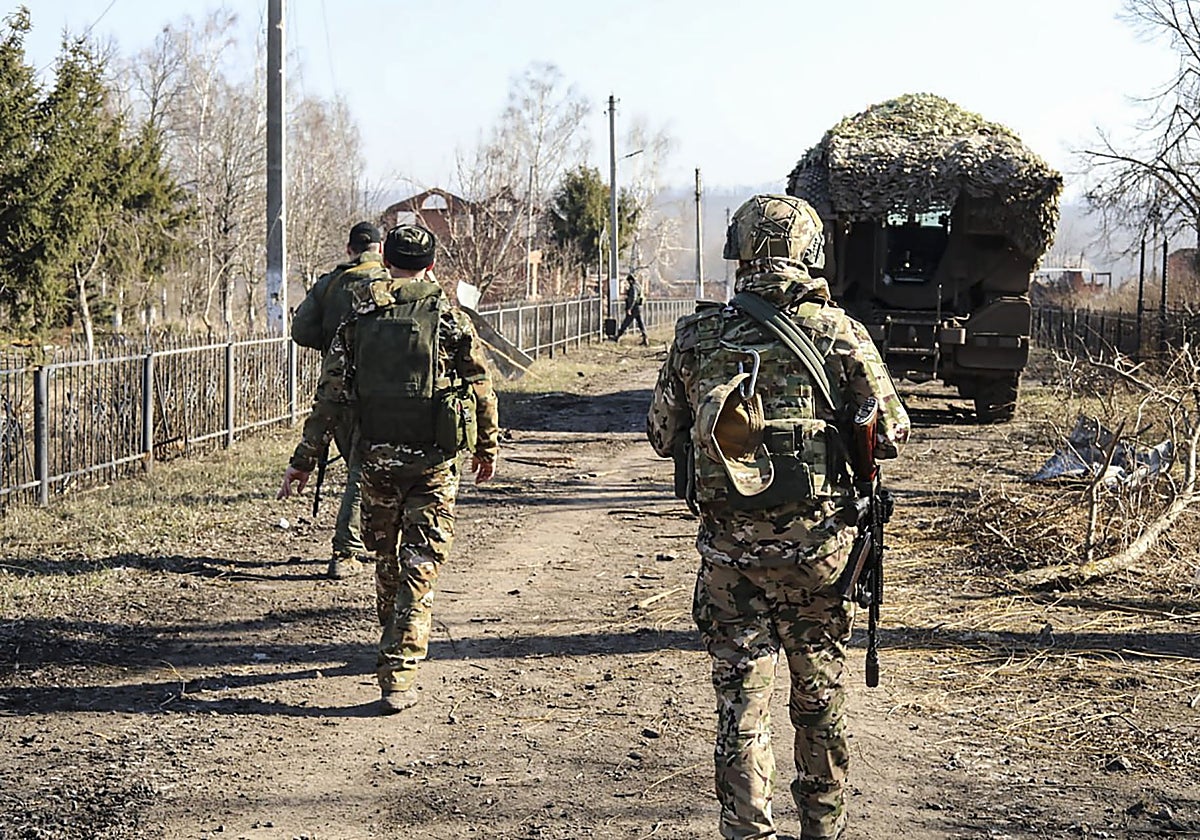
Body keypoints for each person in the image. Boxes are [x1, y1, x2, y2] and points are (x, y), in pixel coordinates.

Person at [646, 194, 910, 840]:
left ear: (740, 252)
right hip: (819, 562)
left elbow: (659, 433)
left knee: (741, 712)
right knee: (818, 706)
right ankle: (823, 829)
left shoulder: (697, 336)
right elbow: (895, 430)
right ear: (809, 251)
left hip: (730, 566)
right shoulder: (840, 333)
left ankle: (748, 832)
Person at [278, 223, 500, 714]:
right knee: (422, 562)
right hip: (435, 460)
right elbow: (481, 383)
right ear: (432, 265)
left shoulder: (359, 315)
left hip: (376, 456)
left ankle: (391, 636)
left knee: (387, 556)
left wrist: (304, 460)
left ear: (387, 260)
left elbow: (331, 395)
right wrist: (486, 445)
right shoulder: (448, 316)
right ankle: (399, 667)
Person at [290, 221, 391, 580]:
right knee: (361, 471)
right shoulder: (390, 282)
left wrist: (333, 346)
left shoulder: (330, 283)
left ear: (350, 249)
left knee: (358, 467)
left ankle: (361, 543)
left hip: (336, 390)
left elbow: (300, 330)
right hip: (379, 391)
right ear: (379, 249)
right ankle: (346, 550)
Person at [613, 272, 648, 345]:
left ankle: (617, 337)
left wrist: (629, 308)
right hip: (639, 307)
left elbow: (633, 298)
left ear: (631, 280)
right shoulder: (639, 286)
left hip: (634, 308)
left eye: (628, 281)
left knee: (626, 323)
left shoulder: (633, 287)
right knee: (641, 324)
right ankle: (645, 339)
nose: (628, 283)